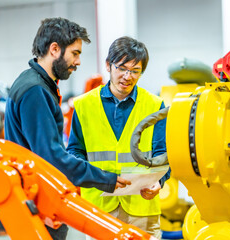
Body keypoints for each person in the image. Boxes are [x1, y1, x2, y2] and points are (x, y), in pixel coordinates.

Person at [4, 18, 130, 240]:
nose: (78, 61)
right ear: (54, 49)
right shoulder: (36, 90)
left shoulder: (37, 84)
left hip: (35, 201)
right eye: (75, 53)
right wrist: (105, 179)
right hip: (38, 205)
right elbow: (52, 157)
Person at [67, 36, 171, 239]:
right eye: (122, 68)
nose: (127, 76)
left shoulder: (155, 105)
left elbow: (163, 154)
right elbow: (75, 152)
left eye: (135, 71)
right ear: (108, 65)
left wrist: (160, 182)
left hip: (142, 207)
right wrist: (96, 178)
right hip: (99, 208)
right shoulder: (83, 105)